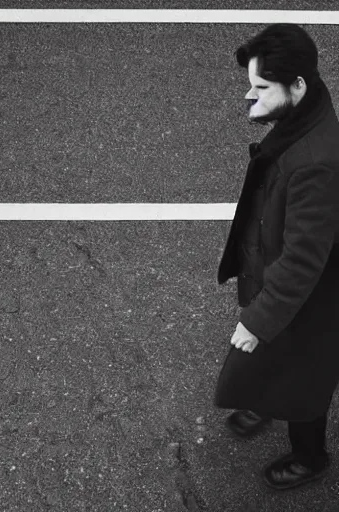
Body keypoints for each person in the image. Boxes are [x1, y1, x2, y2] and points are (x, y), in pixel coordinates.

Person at [215, 23, 339, 490]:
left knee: (305, 379)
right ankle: (267, 401)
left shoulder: (320, 162)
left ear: (298, 86)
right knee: (277, 358)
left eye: (262, 88)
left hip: (314, 297)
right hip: (281, 279)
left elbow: (305, 261)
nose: (251, 96)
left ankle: (310, 458)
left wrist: (256, 320)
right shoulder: (302, 114)